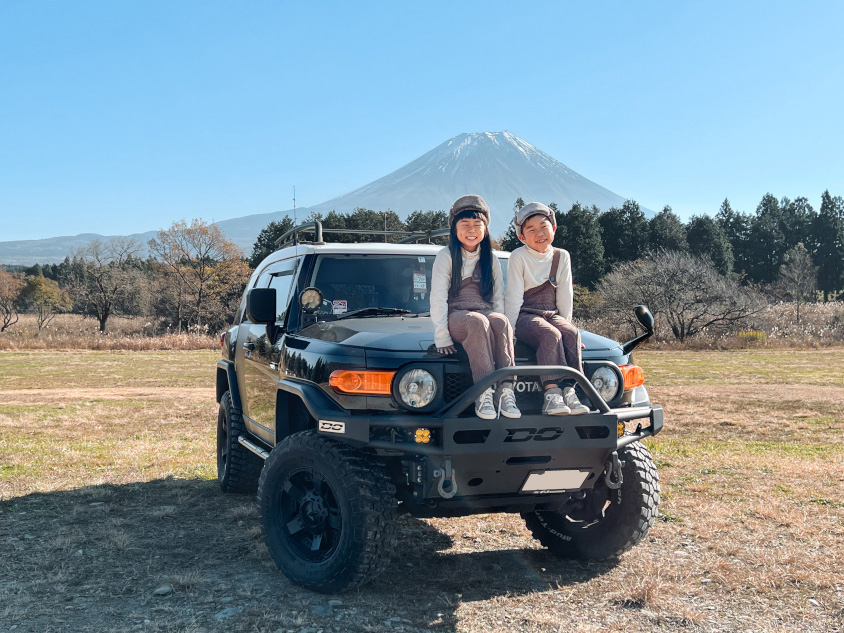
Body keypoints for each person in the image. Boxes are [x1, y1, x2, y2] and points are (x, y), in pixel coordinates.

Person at [430, 195, 521, 420]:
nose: (471, 230)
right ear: (454, 228)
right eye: (465, 224)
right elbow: (438, 297)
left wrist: (506, 332)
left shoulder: (490, 258)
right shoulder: (446, 256)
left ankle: (506, 391)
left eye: (477, 224)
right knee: (477, 321)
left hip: (484, 311)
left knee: (501, 320)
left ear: (486, 229)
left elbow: (498, 297)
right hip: (457, 315)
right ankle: (484, 392)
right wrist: (442, 336)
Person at [504, 202, 590, 415]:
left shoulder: (561, 256)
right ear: (522, 237)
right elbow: (514, 297)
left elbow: (565, 295)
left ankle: (570, 391)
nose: (539, 233)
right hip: (525, 315)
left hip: (551, 313)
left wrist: (568, 328)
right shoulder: (518, 256)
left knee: (571, 333)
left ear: (554, 228)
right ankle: (552, 395)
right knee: (550, 334)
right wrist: (510, 333)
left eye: (544, 227)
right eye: (531, 230)